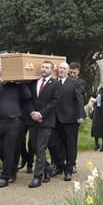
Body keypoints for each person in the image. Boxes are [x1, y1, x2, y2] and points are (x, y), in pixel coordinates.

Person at [0, 68, 31, 188]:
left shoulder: (15, 87)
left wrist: (20, 82)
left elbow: (27, 95)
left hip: (14, 122)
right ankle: (11, 168)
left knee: (9, 149)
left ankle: (6, 177)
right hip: (0, 122)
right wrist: (1, 84)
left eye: (0, 75)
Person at [28, 60, 61, 188]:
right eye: (42, 67)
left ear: (51, 70)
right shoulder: (34, 82)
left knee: (40, 148)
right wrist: (32, 112)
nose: (44, 69)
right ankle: (47, 168)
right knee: (35, 147)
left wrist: (41, 114)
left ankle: (37, 177)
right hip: (33, 120)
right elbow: (29, 99)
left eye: (47, 67)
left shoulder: (56, 84)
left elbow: (55, 101)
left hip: (46, 121)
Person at [50, 62, 85, 181]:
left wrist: (81, 115)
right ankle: (59, 166)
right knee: (54, 143)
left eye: (64, 68)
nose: (62, 70)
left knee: (70, 144)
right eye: (60, 68)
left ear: (68, 70)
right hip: (54, 119)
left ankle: (69, 169)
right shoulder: (53, 82)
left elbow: (79, 100)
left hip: (70, 119)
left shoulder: (74, 83)